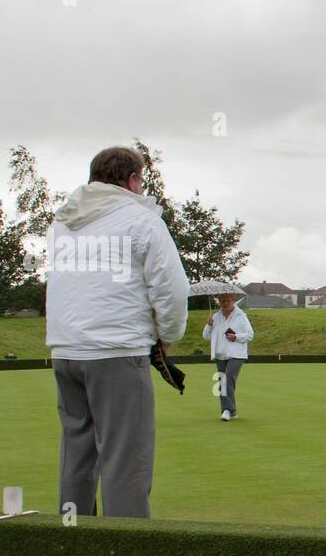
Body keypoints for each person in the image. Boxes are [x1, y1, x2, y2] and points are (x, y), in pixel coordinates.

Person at [45, 145, 189, 519]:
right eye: (142, 180)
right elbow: (171, 289)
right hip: (116, 350)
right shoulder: (141, 220)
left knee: (76, 452)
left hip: (64, 350)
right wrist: (168, 336)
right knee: (126, 458)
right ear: (132, 180)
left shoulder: (63, 221)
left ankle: (70, 541)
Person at [203, 293, 254, 420]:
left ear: (233, 301)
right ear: (219, 302)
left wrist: (236, 336)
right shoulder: (215, 316)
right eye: (222, 301)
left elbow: (250, 334)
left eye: (227, 301)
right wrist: (208, 324)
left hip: (236, 354)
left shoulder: (241, 316)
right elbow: (206, 336)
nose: (225, 303)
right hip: (220, 354)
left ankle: (228, 410)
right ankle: (230, 411)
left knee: (228, 379)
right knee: (222, 381)